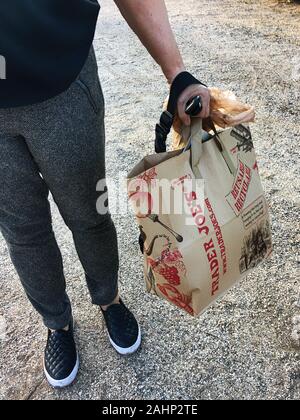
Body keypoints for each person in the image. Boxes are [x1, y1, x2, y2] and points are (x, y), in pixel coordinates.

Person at [0, 0, 210, 388]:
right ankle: (57, 323)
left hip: (60, 80)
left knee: (88, 213)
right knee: (23, 232)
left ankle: (108, 297)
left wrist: (176, 71)